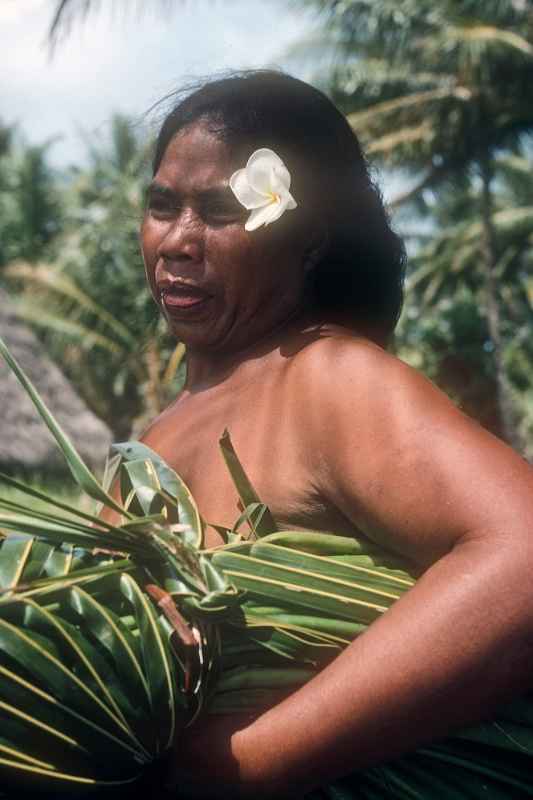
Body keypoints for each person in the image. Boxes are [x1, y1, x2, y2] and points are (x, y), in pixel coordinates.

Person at [136, 70, 533, 798]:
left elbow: (523, 555)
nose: (179, 242)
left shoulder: (325, 377)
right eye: (163, 205)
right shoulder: (153, 441)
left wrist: (245, 764)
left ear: (307, 240)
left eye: (220, 211)